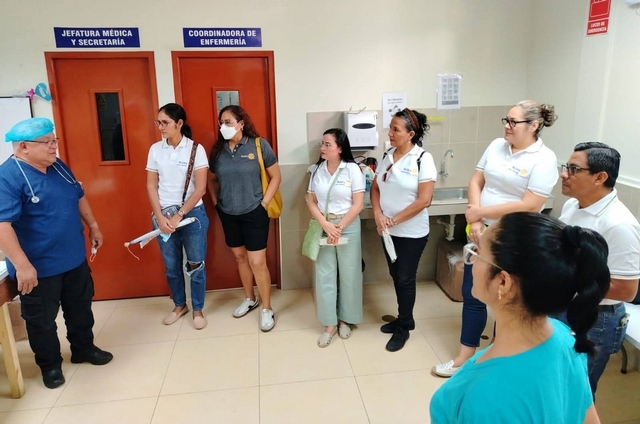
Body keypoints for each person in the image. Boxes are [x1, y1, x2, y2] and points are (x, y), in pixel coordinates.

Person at [430, 212, 604, 424]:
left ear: (503, 282)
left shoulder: (479, 400)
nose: (471, 261)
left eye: (477, 252)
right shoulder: (568, 340)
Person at [434, 100, 559, 377]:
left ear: (534, 125)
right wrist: (477, 220)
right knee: (473, 293)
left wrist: (480, 212)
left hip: (515, 239)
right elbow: (476, 181)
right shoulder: (496, 146)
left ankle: (496, 355)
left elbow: (530, 205)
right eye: (506, 120)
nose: (507, 126)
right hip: (480, 233)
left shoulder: (544, 158)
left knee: (507, 300)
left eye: (514, 122)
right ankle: (464, 357)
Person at [0, 117, 113, 389]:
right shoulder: (8, 176)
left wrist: (93, 226)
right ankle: (50, 366)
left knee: (80, 309)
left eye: (55, 140)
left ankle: (83, 349)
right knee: (41, 321)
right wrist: (22, 265)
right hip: (38, 268)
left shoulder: (58, 166)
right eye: (47, 142)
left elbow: (79, 195)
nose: (54, 146)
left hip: (73, 259)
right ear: (24, 147)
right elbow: (2, 226)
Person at [559, 142, 640, 397]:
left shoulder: (619, 224)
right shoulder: (573, 206)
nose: (564, 174)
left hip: (596, 318)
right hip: (567, 306)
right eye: (565, 167)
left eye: (573, 169)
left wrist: (563, 278)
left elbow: (626, 290)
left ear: (600, 177)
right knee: (558, 385)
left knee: (577, 392)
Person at [208, 105, 281, 332]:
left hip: (254, 212)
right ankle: (250, 299)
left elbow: (276, 177)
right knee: (240, 258)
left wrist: (264, 204)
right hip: (228, 213)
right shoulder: (218, 151)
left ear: (241, 124)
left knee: (257, 262)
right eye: (221, 122)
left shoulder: (258, 145)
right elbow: (212, 179)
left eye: (228, 122)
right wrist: (216, 203)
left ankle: (267, 308)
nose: (223, 126)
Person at [370, 108, 437, 352]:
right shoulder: (388, 155)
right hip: (388, 231)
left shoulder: (422, 159)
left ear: (410, 134)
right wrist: (378, 214)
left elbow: (424, 200)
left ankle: (404, 326)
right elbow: (375, 187)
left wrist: (394, 220)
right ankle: (405, 319)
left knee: (405, 278)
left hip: (411, 233)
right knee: (396, 275)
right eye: (390, 128)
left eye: (395, 130)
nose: (389, 133)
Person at [146, 103, 210, 330]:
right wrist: (159, 216)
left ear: (179, 123)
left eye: (165, 122)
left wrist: (179, 215)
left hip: (192, 215)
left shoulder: (195, 149)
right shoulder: (155, 149)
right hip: (163, 215)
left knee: (196, 264)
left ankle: (198, 309)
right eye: (158, 122)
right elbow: (151, 185)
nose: (161, 127)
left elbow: (200, 189)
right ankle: (179, 305)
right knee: (171, 266)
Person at [306, 128, 365, 347]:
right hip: (324, 226)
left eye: (327, 144)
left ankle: (345, 320)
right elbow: (311, 201)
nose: (322, 147)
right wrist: (325, 224)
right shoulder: (317, 170)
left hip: (346, 226)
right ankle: (329, 324)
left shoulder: (352, 169)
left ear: (340, 148)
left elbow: (358, 204)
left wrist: (338, 227)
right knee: (325, 275)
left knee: (349, 274)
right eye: (322, 144)